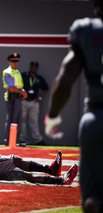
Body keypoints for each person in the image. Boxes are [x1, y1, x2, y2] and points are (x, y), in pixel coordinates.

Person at [44, 0, 103, 211]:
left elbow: (65, 80)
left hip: (97, 118)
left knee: (93, 199)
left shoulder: (88, 31)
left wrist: (52, 115)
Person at [20, 61, 49, 145]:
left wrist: (40, 98)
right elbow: (17, 85)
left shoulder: (39, 78)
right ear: (29, 67)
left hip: (34, 102)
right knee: (22, 121)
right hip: (24, 101)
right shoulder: (23, 76)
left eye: (35, 66)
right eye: (32, 66)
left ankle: (38, 140)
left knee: (34, 121)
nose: (33, 68)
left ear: (37, 68)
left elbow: (46, 88)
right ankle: (22, 140)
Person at [2, 53, 28, 147]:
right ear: (10, 62)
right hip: (11, 98)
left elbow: (18, 86)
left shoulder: (16, 72)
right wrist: (21, 91)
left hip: (17, 97)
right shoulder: (8, 72)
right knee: (11, 120)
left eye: (17, 61)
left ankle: (13, 141)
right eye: (13, 61)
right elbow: (11, 88)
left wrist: (22, 91)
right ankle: (9, 140)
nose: (16, 63)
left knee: (16, 119)